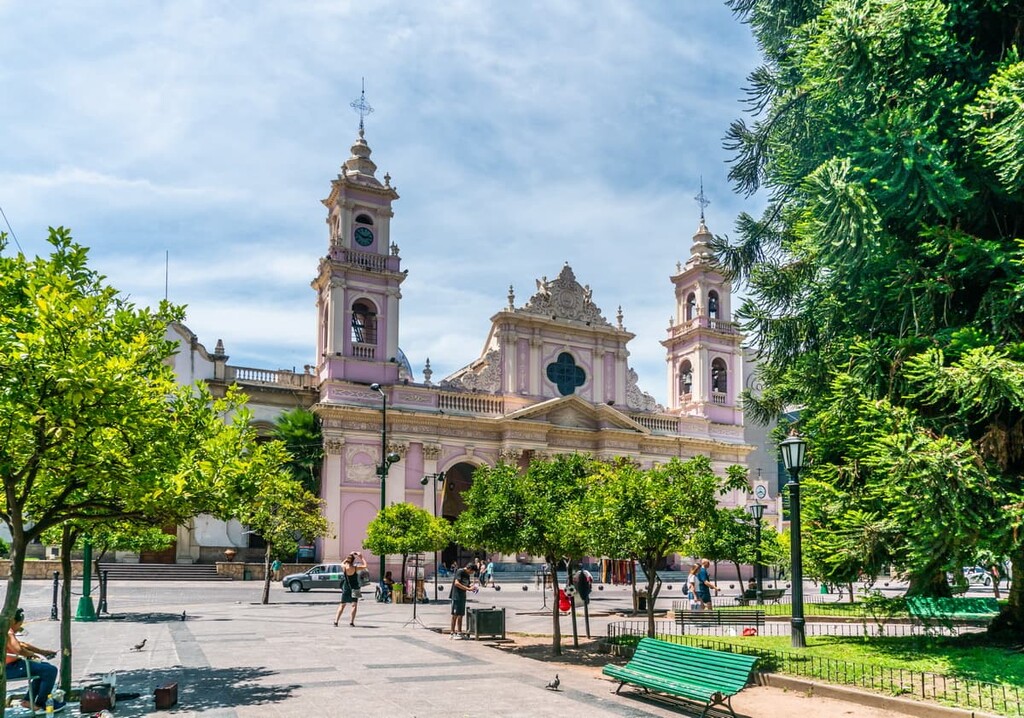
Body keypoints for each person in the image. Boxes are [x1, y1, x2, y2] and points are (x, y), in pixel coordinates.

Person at [6, 608, 63, 713]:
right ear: (14, 621)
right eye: (19, 625)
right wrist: (31, 655)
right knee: (50, 670)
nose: (20, 628)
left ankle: (28, 700)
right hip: (8, 668)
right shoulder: (8, 632)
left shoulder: (6, 629)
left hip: (13, 664)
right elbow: (18, 649)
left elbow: (22, 644)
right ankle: (43, 702)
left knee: (44, 667)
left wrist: (42, 652)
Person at [334, 551, 368, 627]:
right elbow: (365, 565)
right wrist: (361, 556)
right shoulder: (355, 568)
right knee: (354, 605)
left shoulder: (344, 567)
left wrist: (349, 555)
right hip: (355, 587)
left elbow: (341, 563)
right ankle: (351, 622)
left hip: (346, 587)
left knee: (342, 604)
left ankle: (336, 621)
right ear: (353, 561)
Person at [449, 563, 477, 639]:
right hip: (456, 596)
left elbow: (467, 584)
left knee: (461, 614)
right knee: (455, 614)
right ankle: (452, 632)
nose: (472, 573)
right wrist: (468, 589)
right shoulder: (460, 571)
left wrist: (472, 587)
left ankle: (459, 632)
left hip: (462, 596)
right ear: (469, 569)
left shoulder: (467, 575)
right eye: (472, 571)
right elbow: (456, 583)